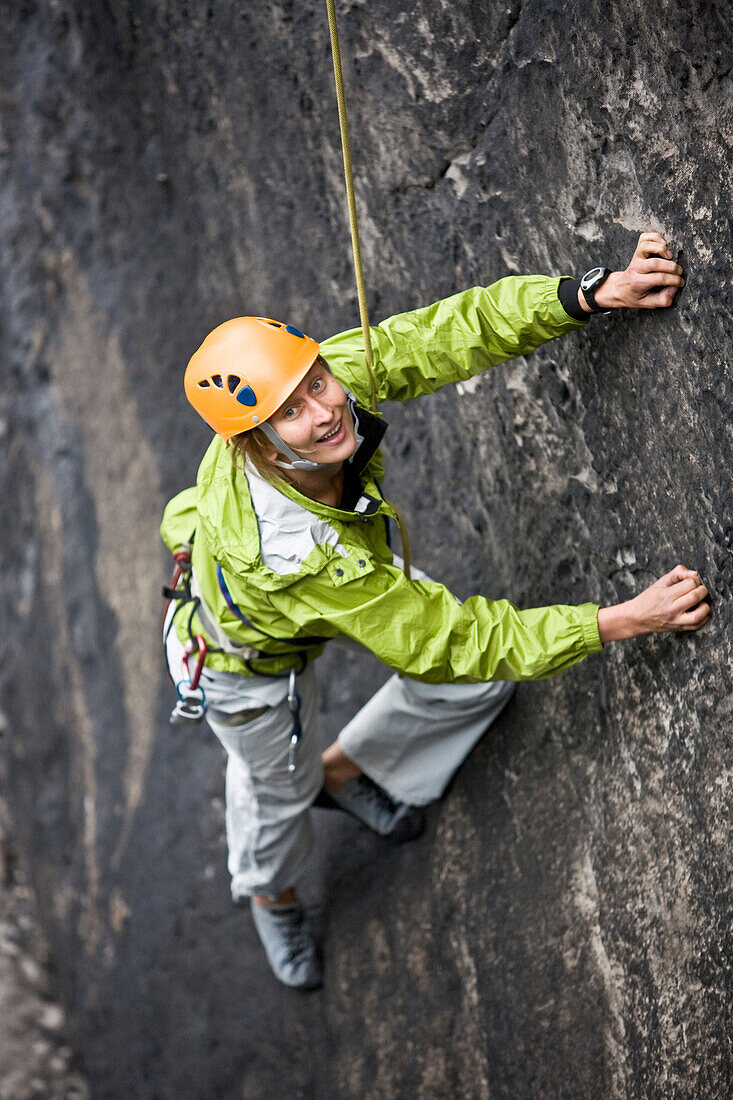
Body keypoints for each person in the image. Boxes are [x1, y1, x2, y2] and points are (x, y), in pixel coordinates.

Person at [161, 232, 709, 990]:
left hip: (311, 596)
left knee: (479, 682)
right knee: (272, 791)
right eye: (293, 413)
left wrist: (585, 294)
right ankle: (268, 890)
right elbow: (445, 641)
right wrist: (619, 620)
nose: (325, 410)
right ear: (256, 446)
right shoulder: (294, 548)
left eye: (318, 381)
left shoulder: (318, 388)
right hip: (245, 668)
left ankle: (342, 771)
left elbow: (445, 334)